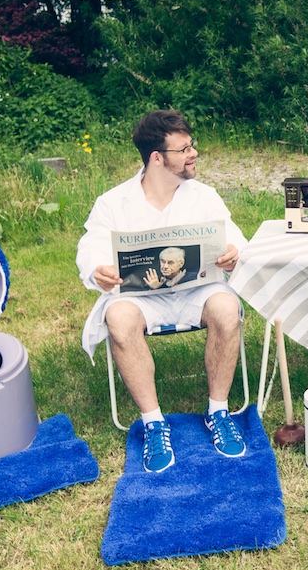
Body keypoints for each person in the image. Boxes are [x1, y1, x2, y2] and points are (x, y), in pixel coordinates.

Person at [77, 109, 248, 472]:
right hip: (141, 298)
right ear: (156, 158)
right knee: (118, 317)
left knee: (226, 308)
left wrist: (234, 253)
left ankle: (218, 412)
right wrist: (97, 270)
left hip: (197, 292)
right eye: (183, 149)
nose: (193, 153)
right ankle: (154, 422)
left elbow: (234, 236)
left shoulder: (204, 196)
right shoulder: (114, 202)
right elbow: (90, 246)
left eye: (191, 145)